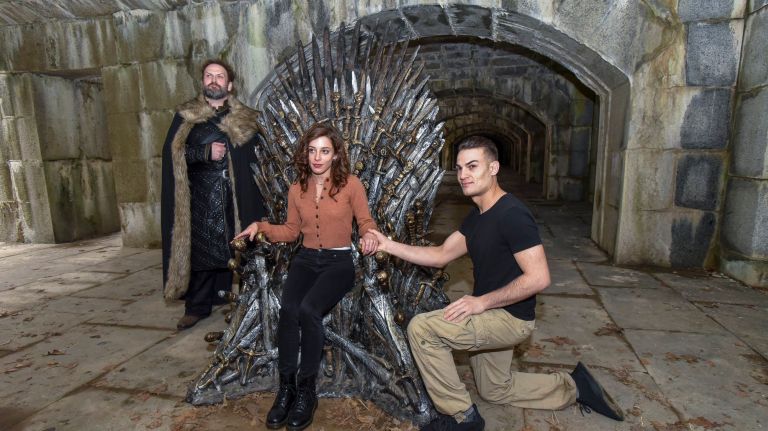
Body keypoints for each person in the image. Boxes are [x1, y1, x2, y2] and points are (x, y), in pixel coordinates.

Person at [369, 136, 624, 431]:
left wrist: (481, 302)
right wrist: (387, 245)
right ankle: (574, 386)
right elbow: (440, 255)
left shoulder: (512, 215)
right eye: (459, 168)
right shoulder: (478, 216)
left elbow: (539, 277)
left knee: (422, 329)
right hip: (494, 312)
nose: (463, 175)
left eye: (472, 166)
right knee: (495, 389)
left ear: (493, 168)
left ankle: (462, 417)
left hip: (510, 318)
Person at [234, 123, 379, 430]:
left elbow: (365, 221)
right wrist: (260, 227)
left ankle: (307, 391)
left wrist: (369, 235)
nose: (317, 157)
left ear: (336, 155)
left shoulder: (351, 185)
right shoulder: (296, 189)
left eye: (324, 151)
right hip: (306, 259)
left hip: (339, 262)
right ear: (305, 153)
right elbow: (290, 231)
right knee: (288, 309)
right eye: (312, 151)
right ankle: (286, 388)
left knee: (309, 310)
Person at [161, 59, 266, 330]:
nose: (214, 80)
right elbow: (173, 155)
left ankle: (248, 305)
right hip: (202, 198)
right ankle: (197, 307)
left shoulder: (247, 118)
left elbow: (259, 158)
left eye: (220, 76)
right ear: (202, 82)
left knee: (244, 252)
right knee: (202, 254)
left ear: (229, 85)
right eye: (209, 76)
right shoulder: (186, 116)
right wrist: (204, 153)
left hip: (237, 197)